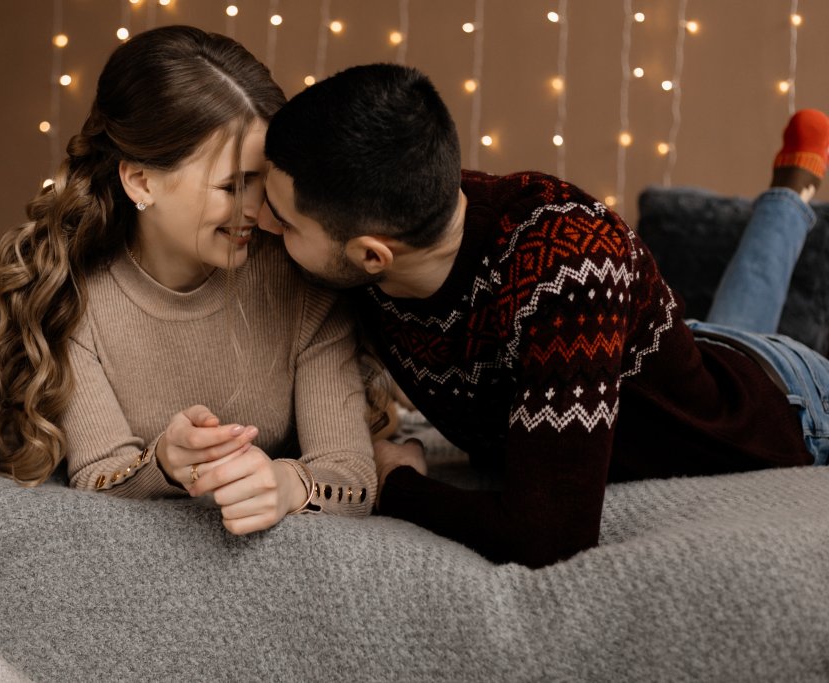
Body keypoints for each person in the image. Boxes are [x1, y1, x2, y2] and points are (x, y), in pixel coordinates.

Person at [259, 62, 829, 568]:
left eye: (284, 222)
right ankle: (791, 190)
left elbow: (548, 538)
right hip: (647, 355)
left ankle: (792, 194)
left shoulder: (568, 268)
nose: (264, 223)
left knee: (744, 341)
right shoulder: (393, 212)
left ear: (371, 254)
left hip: (790, 402)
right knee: (723, 327)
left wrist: (397, 482)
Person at [0, 26, 377, 535]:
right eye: (231, 186)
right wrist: (165, 463)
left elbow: (351, 476)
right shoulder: (76, 301)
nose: (259, 209)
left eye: (264, 180)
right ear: (141, 180)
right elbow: (98, 473)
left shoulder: (301, 284)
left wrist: (288, 486)